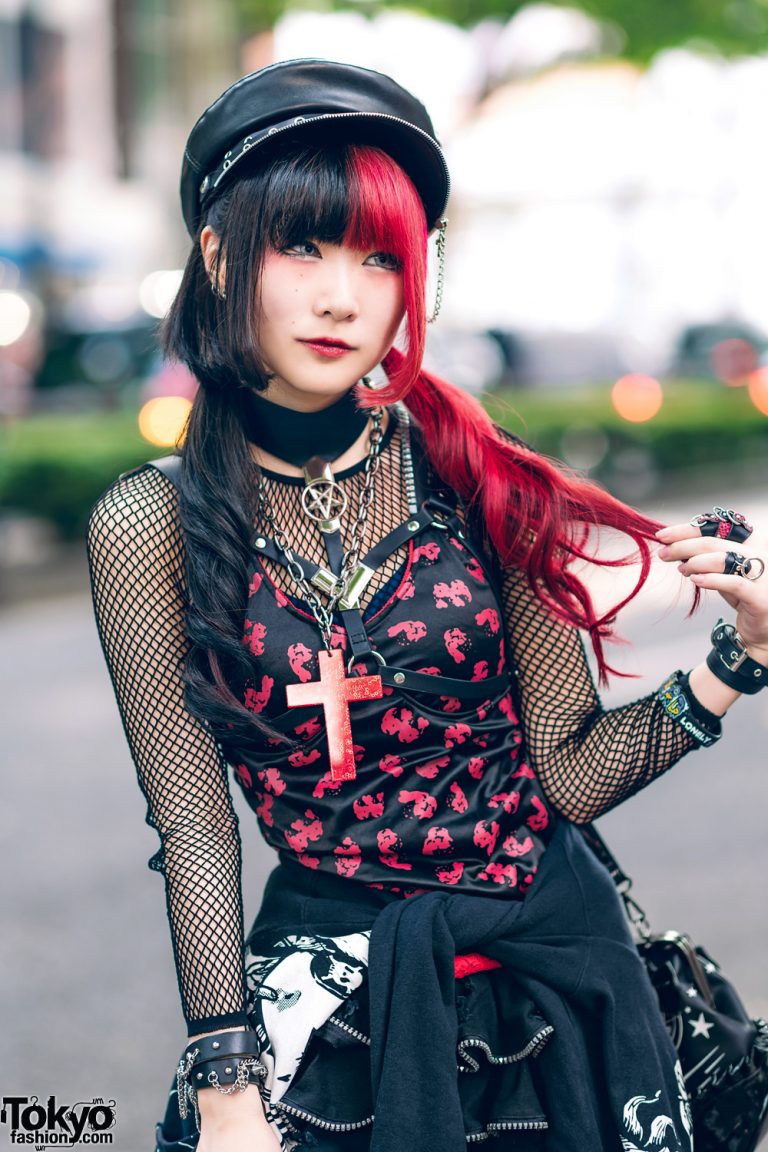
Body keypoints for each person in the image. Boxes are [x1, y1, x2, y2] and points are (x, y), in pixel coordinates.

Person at [86, 59, 768, 1152]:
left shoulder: (479, 478)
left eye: (379, 258)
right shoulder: (149, 525)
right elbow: (195, 825)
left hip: (559, 995)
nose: (342, 296)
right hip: (333, 1014)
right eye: (299, 245)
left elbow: (570, 773)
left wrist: (736, 665)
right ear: (217, 256)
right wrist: (224, 1078)